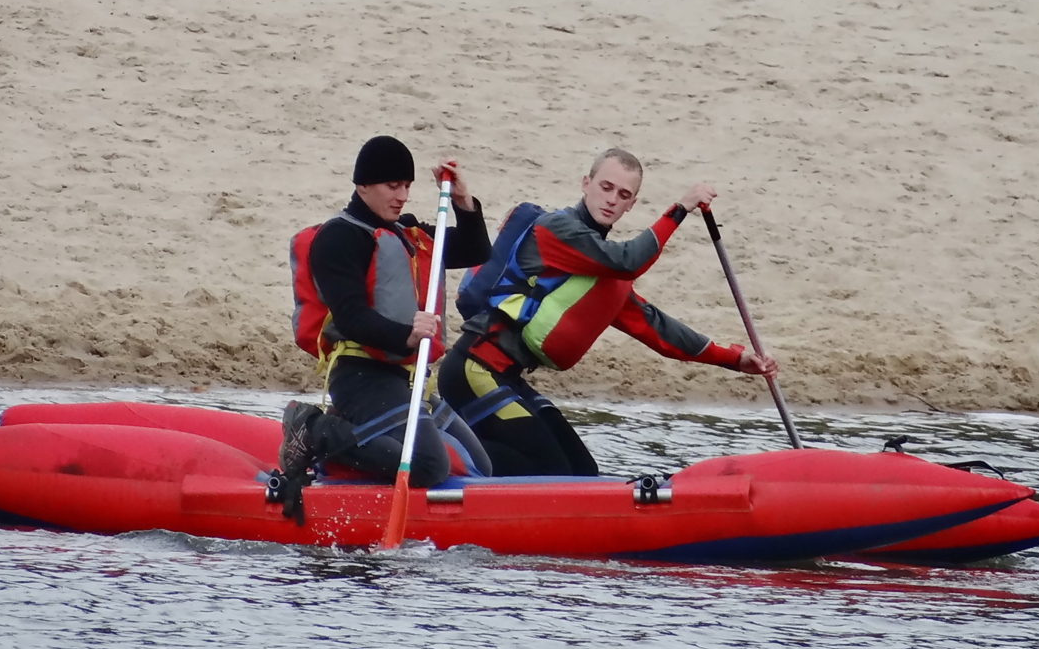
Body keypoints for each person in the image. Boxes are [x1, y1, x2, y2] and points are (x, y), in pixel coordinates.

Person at [437, 148, 776, 477]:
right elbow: (627, 260)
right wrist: (680, 209)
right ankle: (435, 457)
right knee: (550, 469)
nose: (612, 199)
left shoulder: (603, 273)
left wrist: (735, 358)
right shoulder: (556, 229)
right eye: (606, 187)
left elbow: (655, 328)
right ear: (586, 184)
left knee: (582, 470)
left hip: (505, 376)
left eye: (623, 194)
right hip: (473, 368)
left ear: (631, 204)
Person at [281, 135, 493, 495]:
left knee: (478, 465)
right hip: (361, 377)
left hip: (407, 380)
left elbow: (475, 250)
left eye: (407, 186)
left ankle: (357, 436)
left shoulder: (406, 233)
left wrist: (463, 202)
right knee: (428, 465)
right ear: (363, 185)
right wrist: (406, 336)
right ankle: (315, 429)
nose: (402, 196)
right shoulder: (339, 238)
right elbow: (350, 316)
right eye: (392, 186)